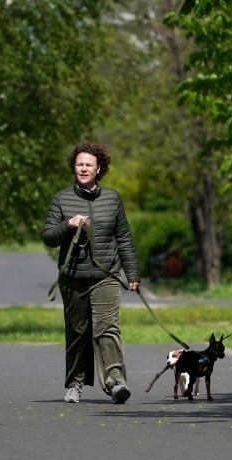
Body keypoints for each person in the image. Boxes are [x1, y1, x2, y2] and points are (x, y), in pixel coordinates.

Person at [42, 141, 141, 404]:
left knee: (107, 328)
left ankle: (116, 382)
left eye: (89, 165)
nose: (83, 169)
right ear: (73, 168)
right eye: (79, 164)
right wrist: (68, 224)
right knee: (77, 331)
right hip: (73, 278)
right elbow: (48, 237)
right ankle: (74, 384)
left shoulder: (112, 198)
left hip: (106, 276)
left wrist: (132, 274)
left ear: (99, 169)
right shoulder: (61, 199)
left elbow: (124, 238)